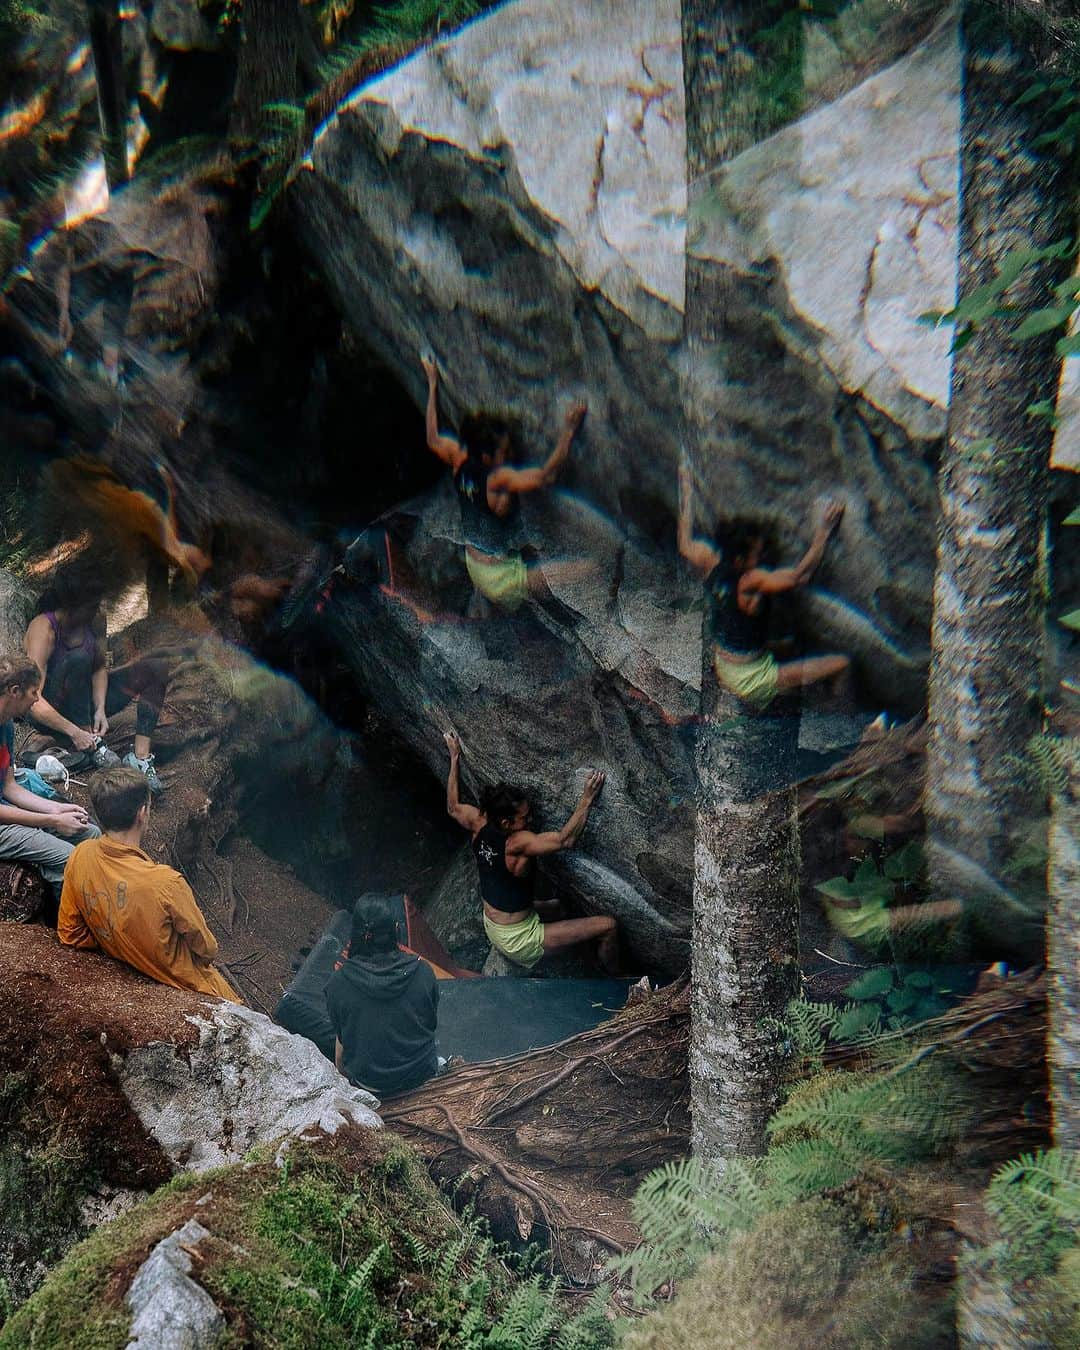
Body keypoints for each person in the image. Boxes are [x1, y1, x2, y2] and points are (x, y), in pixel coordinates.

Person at [420, 354, 588, 612]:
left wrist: (432, 384)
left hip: (473, 565)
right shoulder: (498, 480)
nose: (510, 456)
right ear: (488, 457)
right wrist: (568, 431)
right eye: (505, 452)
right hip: (500, 578)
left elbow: (432, 438)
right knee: (582, 570)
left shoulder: (459, 457)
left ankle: (486, 602)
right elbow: (545, 475)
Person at [57, 766, 240, 1002]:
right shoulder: (165, 883)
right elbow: (207, 949)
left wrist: (116, 941)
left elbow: (69, 933)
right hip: (197, 990)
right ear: (142, 813)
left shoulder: (80, 855)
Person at [678, 462, 851, 711]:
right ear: (741, 561)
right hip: (751, 679)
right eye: (757, 554)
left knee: (790, 648)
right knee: (842, 665)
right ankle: (844, 733)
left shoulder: (710, 561)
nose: (762, 558)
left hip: (723, 666)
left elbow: (684, 543)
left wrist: (686, 489)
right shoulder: (750, 581)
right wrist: (823, 532)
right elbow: (800, 576)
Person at [443, 732, 618, 971]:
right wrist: (586, 799)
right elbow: (565, 839)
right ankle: (611, 981)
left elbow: (453, 807)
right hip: (519, 939)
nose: (531, 819)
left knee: (559, 907)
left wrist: (454, 758)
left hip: (493, 925)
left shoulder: (479, 821)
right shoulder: (518, 843)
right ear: (506, 823)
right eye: (524, 818)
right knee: (608, 926)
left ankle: (580, 952)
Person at [24, 563, 170, 792]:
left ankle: (140, 758)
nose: (96, 609)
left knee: (156, 667)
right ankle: (89, 746)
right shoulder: (44, 629)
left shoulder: (96, 619)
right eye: (91, 605)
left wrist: (101, 709)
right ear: (72, 606)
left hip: (86, 702)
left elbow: (99, 666)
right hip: (53, 707)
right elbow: (32, 700)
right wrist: (74, 732)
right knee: (78, 659)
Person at [0, 652, 100, 894]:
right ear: (15, 691)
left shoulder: (7, 726)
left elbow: (9, 786)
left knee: (92, 833)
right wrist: (52, 820)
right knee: (70, 858)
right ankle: (65, 925)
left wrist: (57, 809)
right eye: (34, 692)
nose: (37, 699)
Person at [325, 894, 440, 1097]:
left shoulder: (338, 984)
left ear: (355, 935)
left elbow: (343, 1043)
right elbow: (430, 1024)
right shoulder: (423, 971)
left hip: (370, 1083)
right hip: (421, 1075)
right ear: (396, 930)